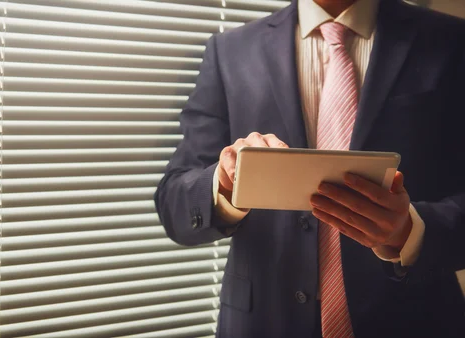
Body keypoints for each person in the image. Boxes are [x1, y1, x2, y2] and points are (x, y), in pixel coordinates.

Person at [154, 0, 465, 336]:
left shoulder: (451, 41)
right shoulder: (230, 50)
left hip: (415, 321)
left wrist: (409, 232)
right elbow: (175, 202)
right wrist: (225, 185)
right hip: (262, 324)